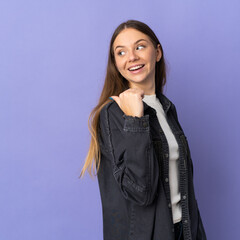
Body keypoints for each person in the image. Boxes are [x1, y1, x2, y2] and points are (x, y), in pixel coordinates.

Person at [80, 19, 207, 240]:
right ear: (115, 63)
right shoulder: (113, 113)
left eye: (140, 46)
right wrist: (135, 120)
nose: (131, 57)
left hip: (183, 231)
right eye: (121, 53)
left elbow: (185, 191)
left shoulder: (166, 108)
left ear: (157, 53)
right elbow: (141, 191)